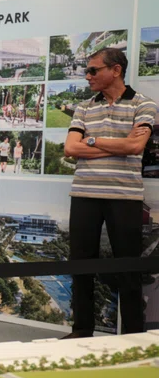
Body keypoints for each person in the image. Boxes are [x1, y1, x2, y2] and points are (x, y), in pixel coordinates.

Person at [64, 48, 156, 339]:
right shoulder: (83, 107)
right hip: (83, 196)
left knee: (127, 268)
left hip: (124, 197)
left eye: (93, 70)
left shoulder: (144, 105)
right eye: (87, 71)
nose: (87, 76)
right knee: (81, 265)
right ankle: (81, 332)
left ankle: (134, 338)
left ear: (115, 70)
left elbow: (134, 148)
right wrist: (112, 142)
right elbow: (70, 148)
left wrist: (90, 140)